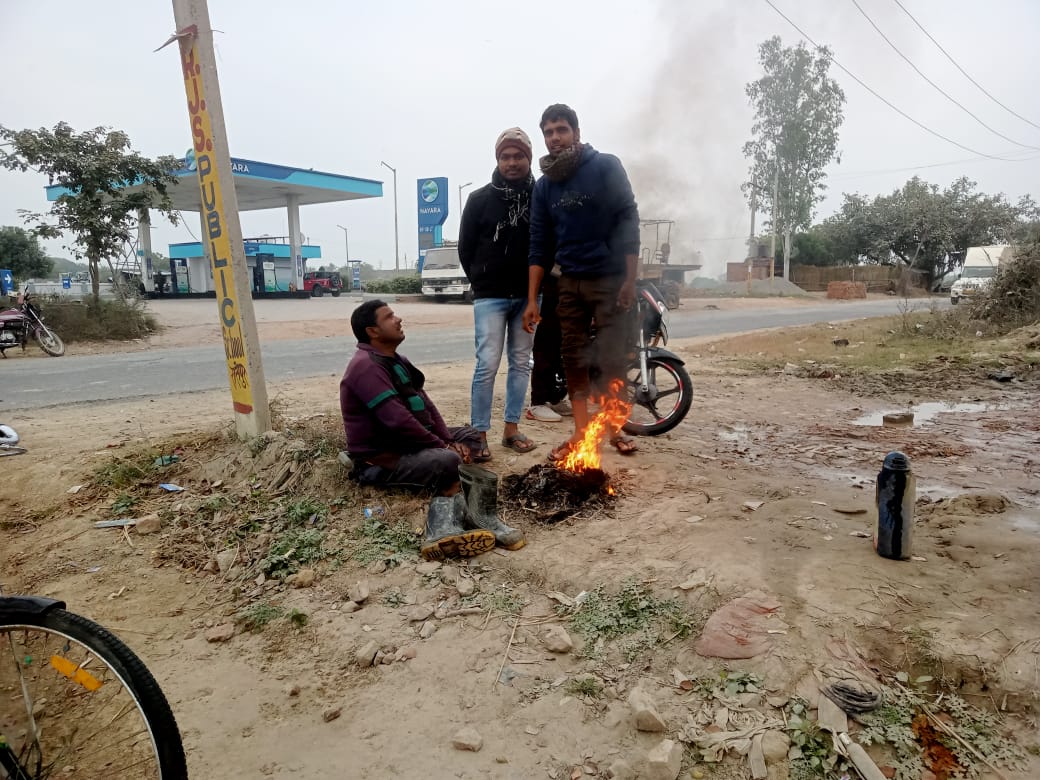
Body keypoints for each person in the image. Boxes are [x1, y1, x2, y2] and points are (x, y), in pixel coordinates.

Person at [340, 299, 525, 558]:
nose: (398, 319)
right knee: (448, 460)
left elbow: (427, 406)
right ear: (373, 331)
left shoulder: (396, 360)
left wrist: (448, 439)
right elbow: (398, 421)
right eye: (389, 317)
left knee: (472, 438)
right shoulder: (365, 367)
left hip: (411, 444)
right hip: (383, 458)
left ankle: (473, 512)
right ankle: (444, 527)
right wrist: (443, 446)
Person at [522, 103, 641, 459]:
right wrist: (532, 299)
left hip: (609, 280)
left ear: (576, 132)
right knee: (573, 356)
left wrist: (630, 279)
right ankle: (580, 432)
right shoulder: (544, 186)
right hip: (569, 282)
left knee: (611, 356)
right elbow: (539, 244)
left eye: (561, 130)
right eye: (548, 132)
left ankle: (615, 429)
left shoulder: (605, 166)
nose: (555, 138)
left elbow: (628, 219)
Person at [458, 127, 538, 458]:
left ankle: (511, 430)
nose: (512, 162)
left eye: (518, 156)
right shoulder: (479, 199)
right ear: (497, 159)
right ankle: (479, 435)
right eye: (505, 156)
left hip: (529, 297)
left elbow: (546, 245)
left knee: (521, 363)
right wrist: (482, 281)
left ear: (528, 158)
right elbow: (465, 249)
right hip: (490, 296)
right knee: (487, 364)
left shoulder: (540, 198)